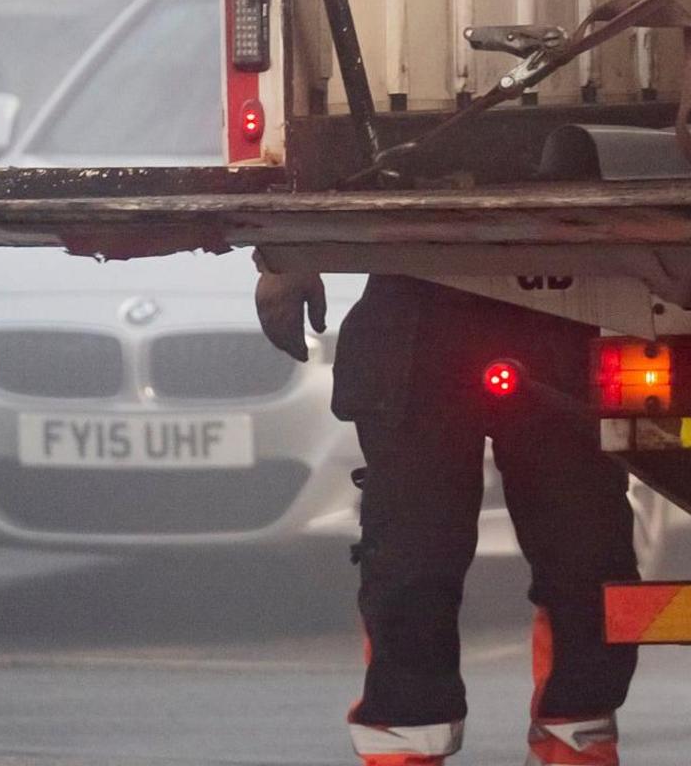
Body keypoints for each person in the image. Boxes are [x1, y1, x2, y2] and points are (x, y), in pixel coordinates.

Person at [262, 261, 641, 766]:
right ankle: (407, 749)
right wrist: (283, 261)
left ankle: (576, 748)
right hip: (426, 303)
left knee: (585, 553)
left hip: (560, 293)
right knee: (412, 557)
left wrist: (283, 263)